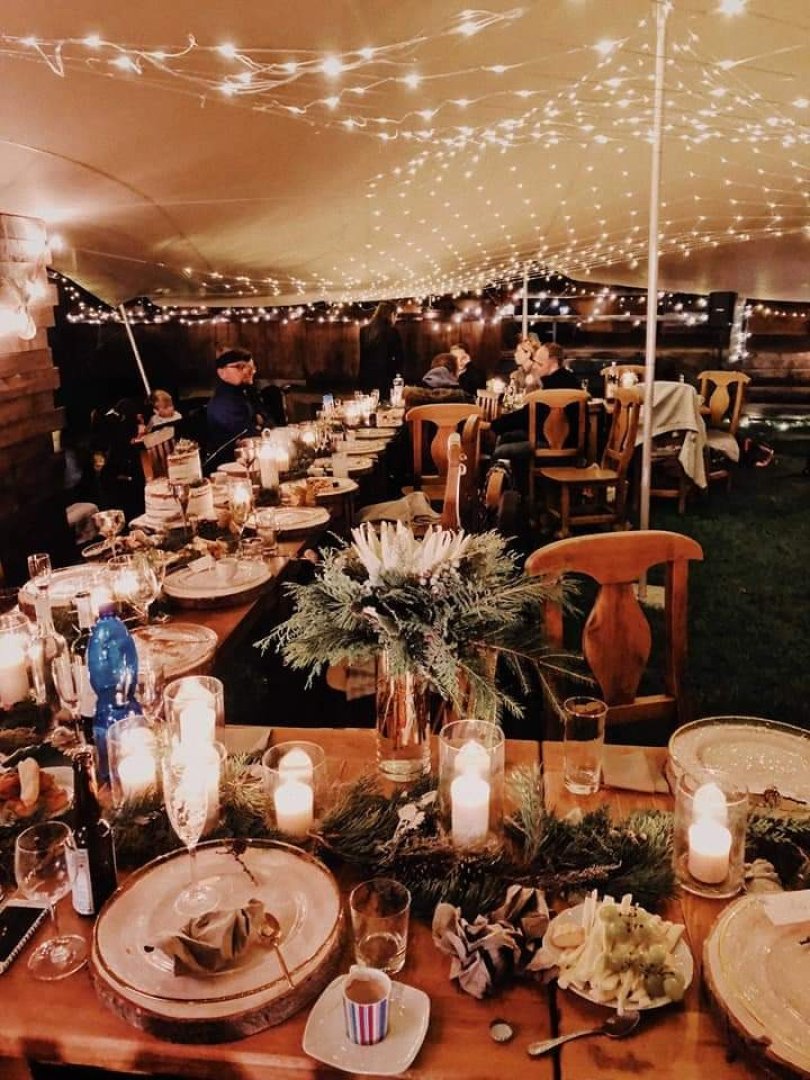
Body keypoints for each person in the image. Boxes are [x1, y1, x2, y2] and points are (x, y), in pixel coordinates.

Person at [490, 343, 581, 490]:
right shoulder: (566, 379)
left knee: (500, 452)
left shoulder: (554, 386)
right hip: (554, 439)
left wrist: (493, 425)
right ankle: (520, 490)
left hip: (556, 445)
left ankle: (502, 493)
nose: (536, 367)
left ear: (553, 363)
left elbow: (528, 416)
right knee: (506, 437)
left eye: (539, 364)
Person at [206, 348, 264, 470]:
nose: (249, 371)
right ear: (221, 373)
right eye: (240, 367)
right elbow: (246, 434)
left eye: (251, 367)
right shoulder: (223, 402)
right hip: (230, 467)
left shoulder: (246, 392)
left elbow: (265, 418)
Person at [358, 301, 405, 397]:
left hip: (367, 378)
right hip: (386, 379)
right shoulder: (392, 332)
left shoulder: (364, 331)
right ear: (392, 314)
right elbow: (399, 358)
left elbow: (363, 358)